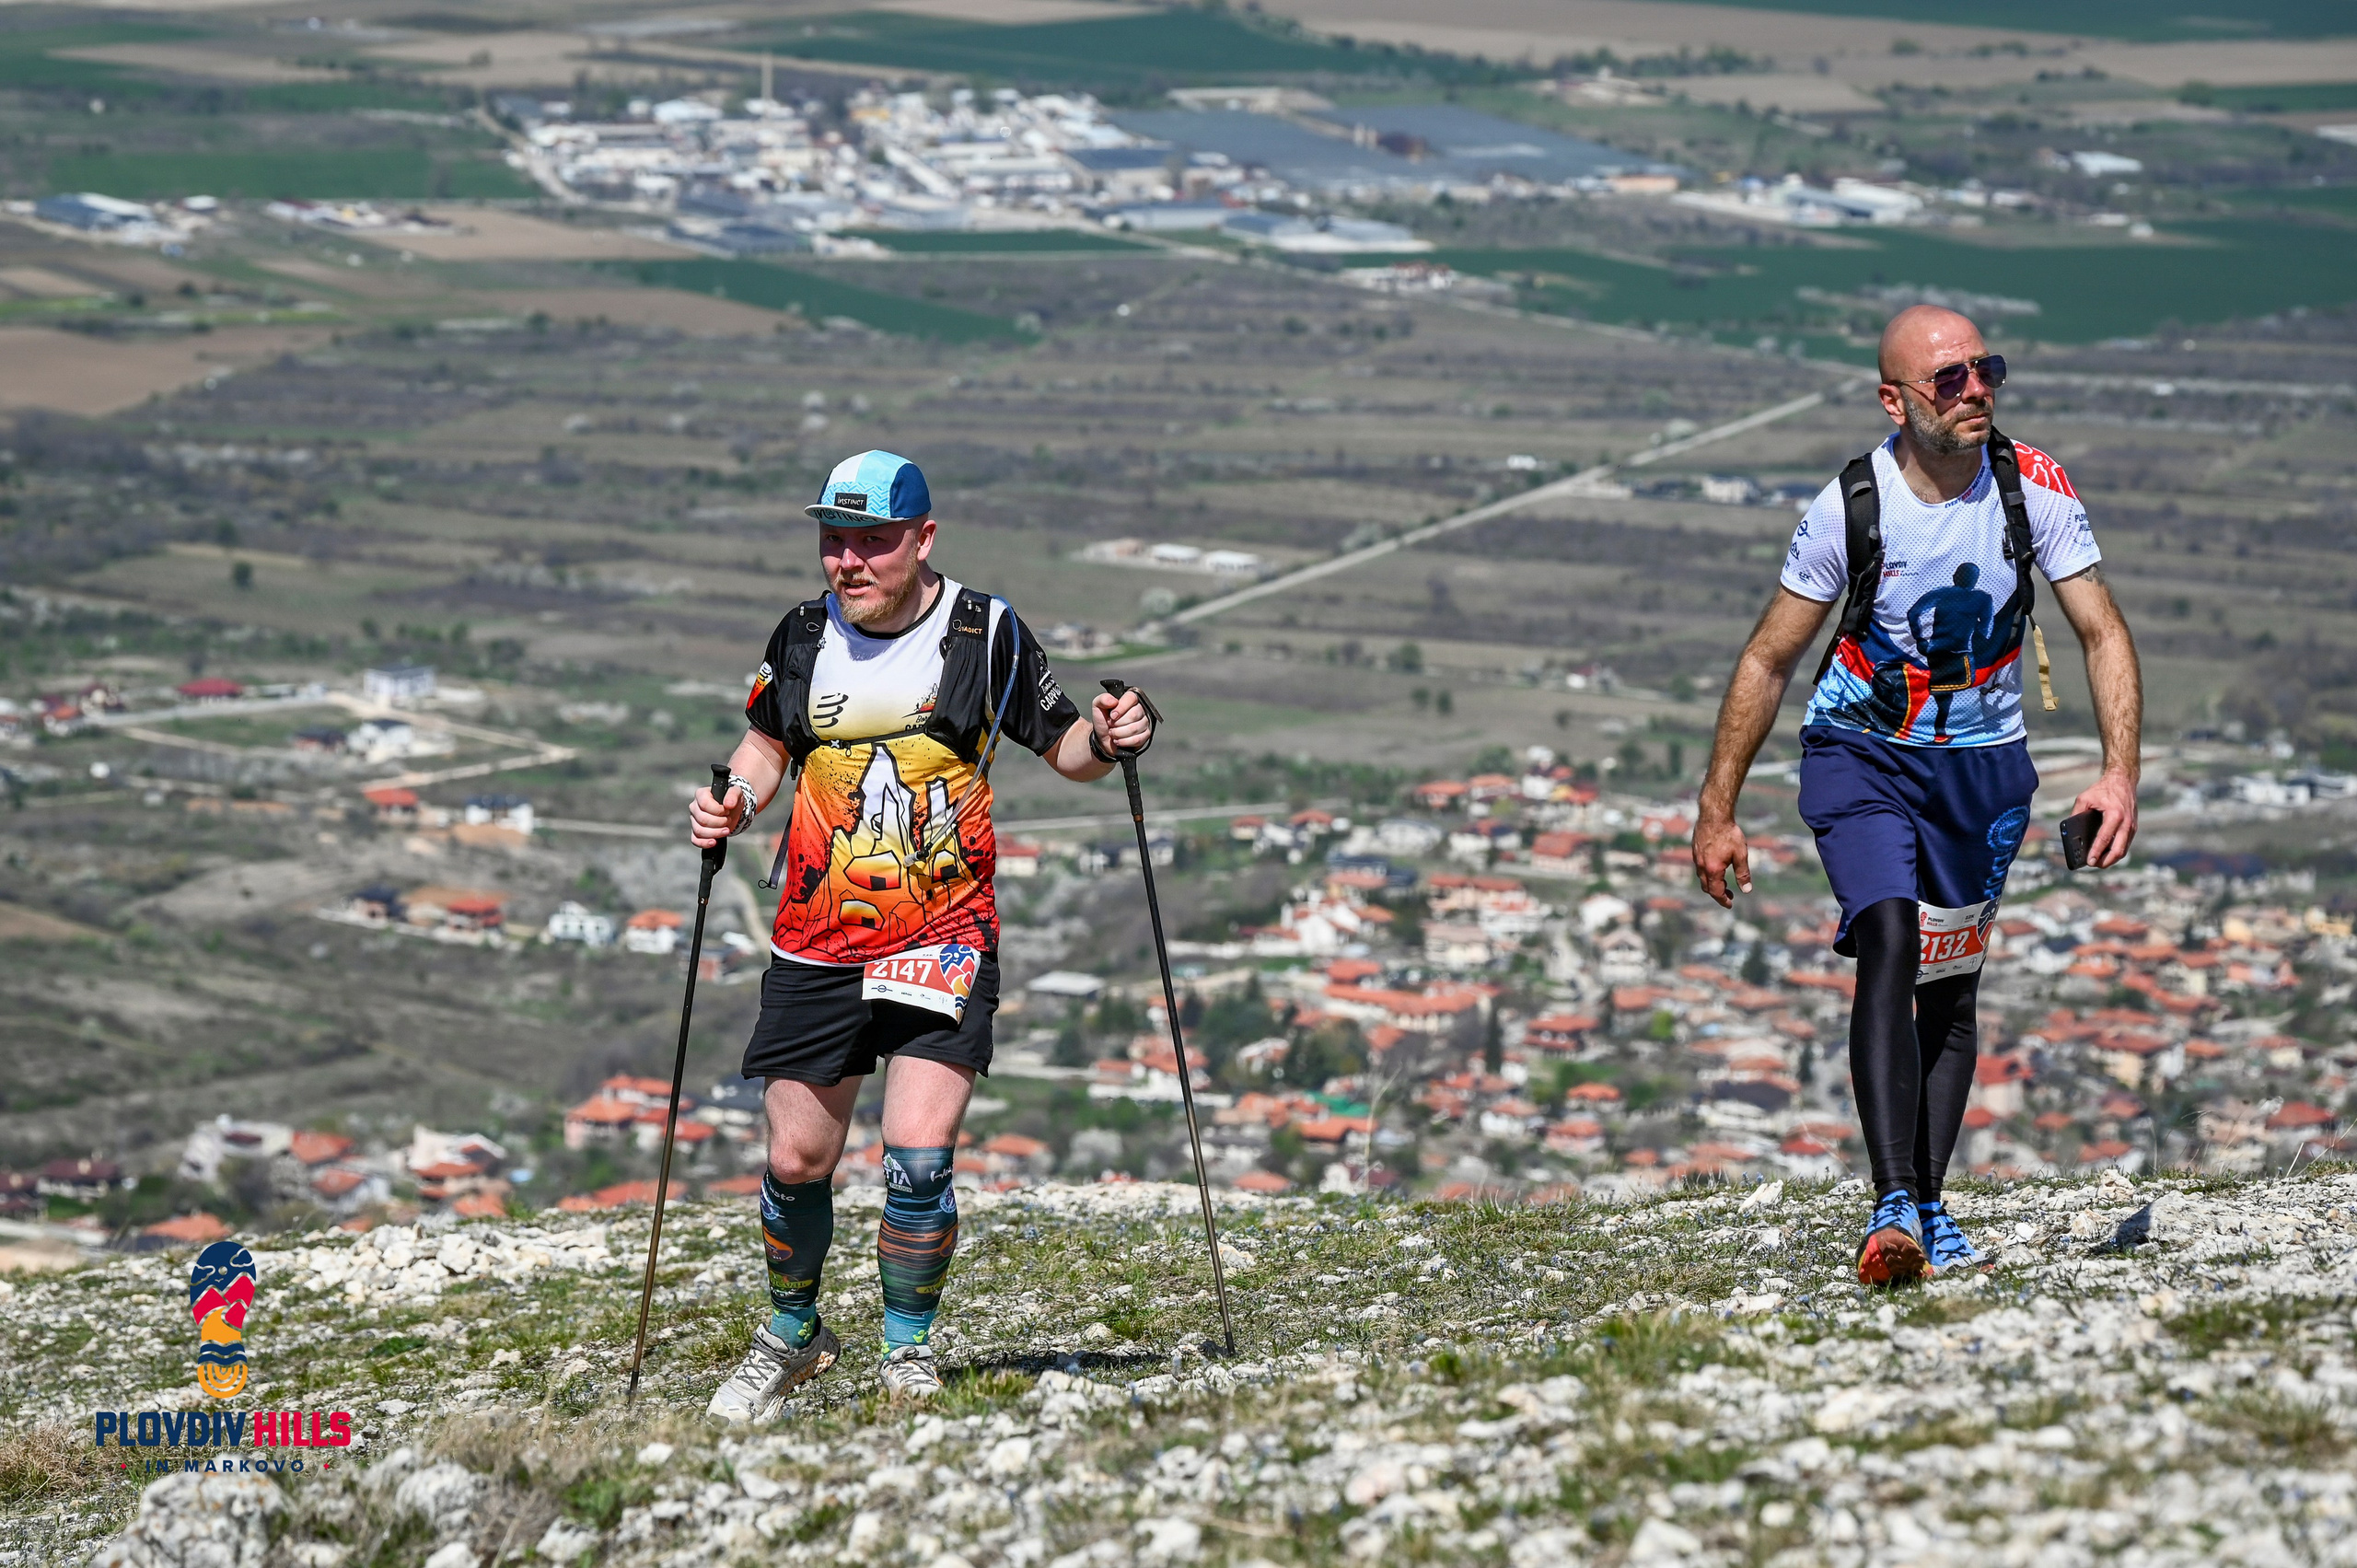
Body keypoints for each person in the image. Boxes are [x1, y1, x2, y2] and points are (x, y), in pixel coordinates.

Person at [688, 449, 1154, 1418]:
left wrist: (1111, 738)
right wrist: (733, 800)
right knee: (795, 1160)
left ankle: (908, 1345)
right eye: (834, 539)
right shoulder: (803, 632)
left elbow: (1061, 741)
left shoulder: (985, 630)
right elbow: (768, 740)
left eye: (872, 540)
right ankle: (794, 1332)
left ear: (922, 538)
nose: (848, 560)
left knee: (917, 1152)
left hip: (944, 929)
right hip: (816, 931)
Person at [1690, 306, 2141, 1286]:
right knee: (1892, 935)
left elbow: (2101, 631)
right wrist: (1716, 808)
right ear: (1893, 399)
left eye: (1987, 370)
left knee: (1949, 985)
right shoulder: (1850, 507)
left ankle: (1926, 1211)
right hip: (1861, 752)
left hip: (1982, 769)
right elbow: (1770, 658)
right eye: (1949, 378)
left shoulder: (2034, 487)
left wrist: (2117, 772)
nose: (1976, 389)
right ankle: (1891, 1197)